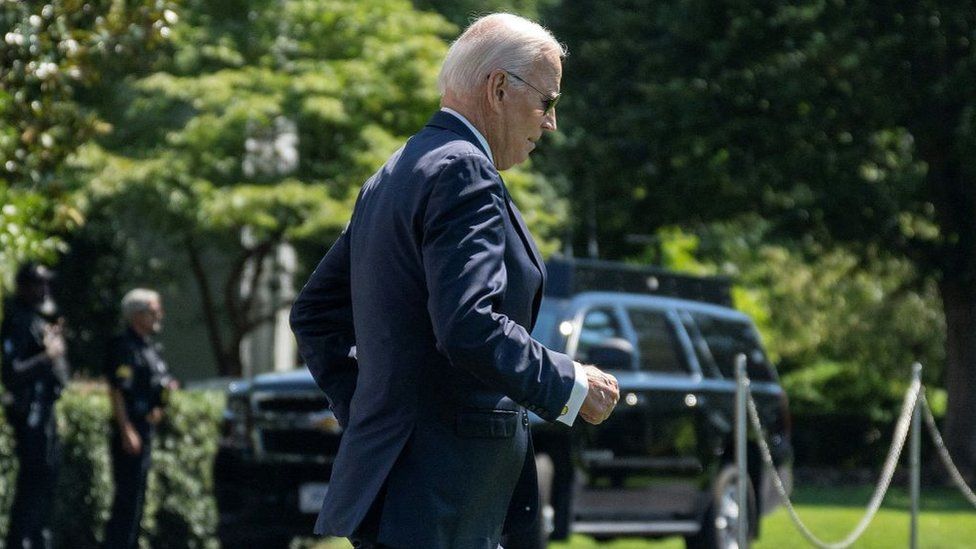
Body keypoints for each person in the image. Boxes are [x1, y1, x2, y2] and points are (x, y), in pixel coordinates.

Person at [290, 13, 619, 549]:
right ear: (497, 89)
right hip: (442, 496)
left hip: (410, 492)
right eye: (548, 101)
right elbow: (468, 324)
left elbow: (313, 316)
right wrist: (571, 383)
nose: (551, 123)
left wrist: (375, 416)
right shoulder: (464, 170)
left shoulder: (397, 170)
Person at [1, 263, 68, 549]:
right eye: (38, 284)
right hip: (28, 416)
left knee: (46, 484)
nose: (45, 290)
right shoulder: (17, 321)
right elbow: (12, 373)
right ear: (24, 287)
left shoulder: (37, 321)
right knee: (30, 487)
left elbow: (59, 377)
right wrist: (46, 356)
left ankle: (38, 540)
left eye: (46, 284)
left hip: (45, 416)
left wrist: (54, 351)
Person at [103, 288, 175, 549]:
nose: (159, 315)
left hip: (145, 428)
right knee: (126, 500)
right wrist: (126, 430)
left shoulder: (150, 348)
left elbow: (160, 387)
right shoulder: (123, 346)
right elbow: (117, 390)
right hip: (130, 429)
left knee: (137, 501)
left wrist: (160, 405)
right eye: (154, 310)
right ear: (137, 314)